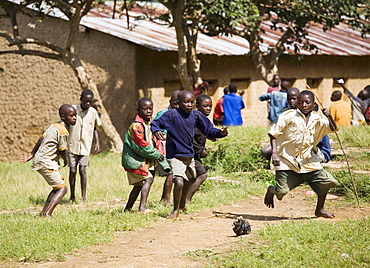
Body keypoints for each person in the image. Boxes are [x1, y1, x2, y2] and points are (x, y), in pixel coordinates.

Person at [151, 90, 228, 219]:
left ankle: (182, 203)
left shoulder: (196, 115)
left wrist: (220, 133)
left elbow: (208, 130)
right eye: (186, 102)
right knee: (179, 181)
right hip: (175, 155)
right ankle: (175, 210)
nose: (189, 105)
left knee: (192, 178)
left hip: (189, 155)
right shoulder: (172, 115)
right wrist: (157, 130)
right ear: (179, 103)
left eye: (191, 102)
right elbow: (155, 123)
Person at [264, 90, 339, 218]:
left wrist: (329, 116)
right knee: (281, 191)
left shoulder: (318, 119)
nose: (303, 105)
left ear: (313, 104)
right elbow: (273, 134)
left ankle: (319, 210)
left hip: (308, 161)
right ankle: (272, 190)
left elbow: (332, 128)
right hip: (287, 161)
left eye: (307, 102)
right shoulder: (288, 116)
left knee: (327, 182)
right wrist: (275, 154)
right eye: (300, 102)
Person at [20, 104, 77, 217]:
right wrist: (66, 160)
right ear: (63, 116)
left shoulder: (55, 125)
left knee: (57, 188)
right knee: (62, 189)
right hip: (45, 162)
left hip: (43, 160)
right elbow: (62, 150)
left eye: (75, 115)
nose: (74, 118)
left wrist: (32, 153)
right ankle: (47, 214)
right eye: (71, 116)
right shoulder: (63, 131)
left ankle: (43, 213)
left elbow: (42, 137)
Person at [122, 98, 169, 213]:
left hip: (146, 159)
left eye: (150, 108)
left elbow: (153, 141)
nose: (148, 111)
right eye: (145, 109)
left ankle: (127, 209)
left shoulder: (148, 124)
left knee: (138, 185)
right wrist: (156, 154)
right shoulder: (136, 126)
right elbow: (141, 145)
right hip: (136, 160)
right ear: (138, 110)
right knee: (149, 179)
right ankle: (142, 207)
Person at [67, 89, 102, 203]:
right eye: (86, 101)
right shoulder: (73, 110)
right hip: (72, 145)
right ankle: (72, 196)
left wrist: (97, 142)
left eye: (90, 101)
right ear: (80, 99)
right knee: (72, 170)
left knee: (82, 169)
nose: (87, 104)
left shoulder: (92, 112)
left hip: (85, 146)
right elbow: (65, 125)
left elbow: (95, 128)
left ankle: (83, 197)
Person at [154, 90, 180, 206]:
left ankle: (167, 197)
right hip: (163, 147)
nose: (177, 106)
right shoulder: (163, 113)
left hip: (176, 147)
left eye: (180, 103)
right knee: (171, 172)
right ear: (170, 102)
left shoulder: (182, 115)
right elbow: (154, 126)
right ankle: (166, 198)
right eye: (175, 103)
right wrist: (158, 132)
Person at [186, 94, 213, 204]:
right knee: (202, 175)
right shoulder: (193, 120)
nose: (208, 109)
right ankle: (186, 200)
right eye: (205, 106)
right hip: (189, 153)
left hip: (195, 154)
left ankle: (183, 199)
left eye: (210, 106)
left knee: (192, 177)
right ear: (197, 106)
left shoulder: (204, 120)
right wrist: (200, 150)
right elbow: (190, 138)